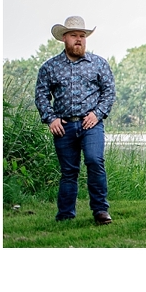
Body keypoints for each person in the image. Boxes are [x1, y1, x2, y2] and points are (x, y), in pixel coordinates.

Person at [35, 16, 115, 224]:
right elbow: (41, 96)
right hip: (63, 126)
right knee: (69, 171)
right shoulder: (50, 67)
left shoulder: (98, 64)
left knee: (95, 161)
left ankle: (100, 210)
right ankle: (65, 215)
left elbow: (109, 92)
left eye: (82, 36)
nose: (79, 39)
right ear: (64, 38)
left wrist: (97, 113)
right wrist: (51, 119)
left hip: (91, 124)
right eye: (74, 35)